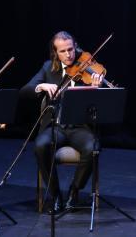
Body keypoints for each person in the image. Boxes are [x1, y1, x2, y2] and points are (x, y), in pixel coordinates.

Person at [22, 31, 100, 213]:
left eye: (70, 49)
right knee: (40, 146)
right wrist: (40, 86)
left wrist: (95, 89)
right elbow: (25, 91)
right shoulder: (48, 67)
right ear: (55, 52)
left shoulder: (88, 68)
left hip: (80, 127)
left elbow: (98, 106)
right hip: (55, 126)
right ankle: (55, 195)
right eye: (63, 51)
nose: (68, 54)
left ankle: (74, 191)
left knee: (93, 147)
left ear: (75, 47)